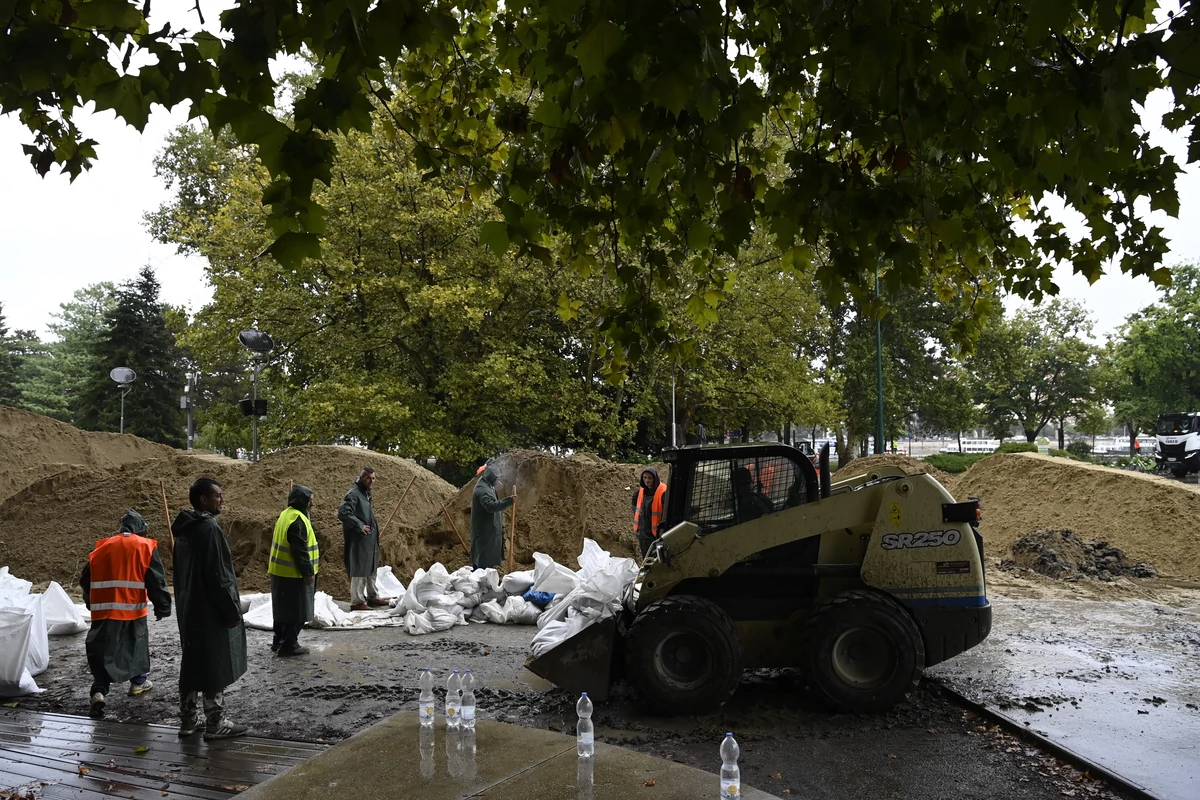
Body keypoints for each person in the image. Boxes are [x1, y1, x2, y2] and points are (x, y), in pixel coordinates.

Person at [172, 477, 248, 740]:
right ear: (204, 500)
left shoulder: (183, 530)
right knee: (215, 663)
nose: (222, 500)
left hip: (188, 607)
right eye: (218, 495)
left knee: (192, 663)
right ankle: (215, 722)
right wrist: (230, 611)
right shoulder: (209, 529)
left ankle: (188, 721)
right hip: (210, 610)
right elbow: (219, 576)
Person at [80, 510, 172, 719]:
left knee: (104, 650)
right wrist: (162, 606)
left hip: (104, 611)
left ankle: (99, 691)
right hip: (132, 609)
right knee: (135, 646)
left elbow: (86, 579)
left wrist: (90, 603)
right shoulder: (145, 546)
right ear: (140, 527)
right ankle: (138, 683)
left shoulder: (101, 548)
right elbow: (156, 580)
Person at [269, 485, 319, 656]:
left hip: (280, 572)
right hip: (294, 574)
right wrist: (308, 572)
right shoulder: (297, 520)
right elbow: (300, 550)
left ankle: (278, 640)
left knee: (282, 610)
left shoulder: (286, 514)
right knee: (296, 611)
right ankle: (289, 644)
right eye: (310, 500)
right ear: (303, 501)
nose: (312, 503)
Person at [338, 467, 389, 611]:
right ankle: (357, 601)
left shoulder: (365, 493)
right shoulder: (354, 494)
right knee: (360, 568)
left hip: (369, 538)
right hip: (359, 539)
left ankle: (373, 597)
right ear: (361, 478)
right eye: (368, 478)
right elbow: (343, 512)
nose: (371, 481)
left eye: (373, 478)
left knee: (371, 567)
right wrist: (359, 525)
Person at [470, 466, 514, 569]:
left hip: (488, 531)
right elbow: (491, 506)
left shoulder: (487, 485)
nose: (498, 480)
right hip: (484, 532)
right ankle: (480, 581)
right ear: (491, 478)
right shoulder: (483, 490)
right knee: (483, 561)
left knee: (486, 560)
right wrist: (508, 501)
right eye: (496, 478)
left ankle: (485, 579)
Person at [631, 467, 667, 557]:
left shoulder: (663, 493)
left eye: (650, 478)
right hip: (643, 534)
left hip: (655, 535)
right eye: (645, 478)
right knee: (646, 558)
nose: (647, 481)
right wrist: (638, 513)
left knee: (656, 560)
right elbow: (634, 504)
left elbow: (667, 511)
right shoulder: (640, 492)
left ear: (655, 478)